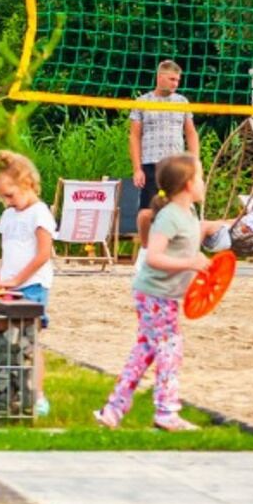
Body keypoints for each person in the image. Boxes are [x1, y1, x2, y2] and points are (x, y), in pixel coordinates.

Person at [98, 153, 226, 432]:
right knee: (170, 349)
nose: (204, 183)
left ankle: (113, 410)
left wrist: (209, 235)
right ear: (188, 184)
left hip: (164, 296)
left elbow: (190, 239)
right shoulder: (169, 217)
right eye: (200, 178)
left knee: (145, 351)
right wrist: (190, 263)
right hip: (154, 295)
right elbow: (154, 257)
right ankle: (166, 412)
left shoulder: (188, 214)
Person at [0, 149, 56, 417]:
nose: (6, 202)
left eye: (9, 195)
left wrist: (18, 279)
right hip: (9, 286)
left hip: (32, 287)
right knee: (3, 336)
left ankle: (38, 395)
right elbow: (8, 251)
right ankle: (9, 390)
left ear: (26, 183)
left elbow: (43, 254)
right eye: (1, 197)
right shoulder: (9, 216)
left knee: (31, 341)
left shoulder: (39, 214)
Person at [129, 59, 199, 247]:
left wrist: (195, 163)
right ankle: (145, 250)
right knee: (146, 213)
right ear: (160, 77)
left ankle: (182, 249)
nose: (175, 84)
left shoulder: (182, 101)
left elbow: (191, 133)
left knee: (184, 210)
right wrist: (137, 168)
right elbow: (134, 137)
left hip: (176, 166)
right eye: (172, 79)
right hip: (151, 164)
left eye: (177, 80)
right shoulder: (143, 102)